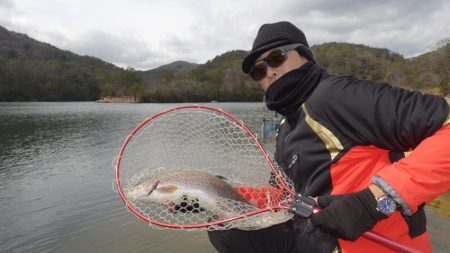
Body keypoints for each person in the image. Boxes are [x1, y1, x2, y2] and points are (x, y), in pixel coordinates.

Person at [208, 21, 450, 253]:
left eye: (276, 58)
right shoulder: (286, 126)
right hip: (313, 241)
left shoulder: (336, 96)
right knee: (223, 227)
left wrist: (376, 201)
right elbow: (282, 197)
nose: (269, 72)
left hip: (376, 245)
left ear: (304, 54)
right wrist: (217, 194)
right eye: (258, 71)